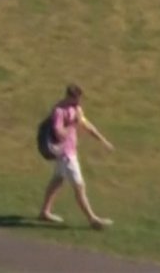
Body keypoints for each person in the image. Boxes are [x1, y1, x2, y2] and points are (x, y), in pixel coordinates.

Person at [39, 83, 116, 230]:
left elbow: (86, 125)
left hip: (69, 152)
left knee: (57, 180)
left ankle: (45, 211)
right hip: (65, 154)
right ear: (68, 96)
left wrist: (103, 140)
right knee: (79, 186)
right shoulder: (59, 111)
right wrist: (72, 124)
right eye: (75, 100)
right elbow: (58, 132)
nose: (78, 103)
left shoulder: (76, 109)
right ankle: (92, 219)